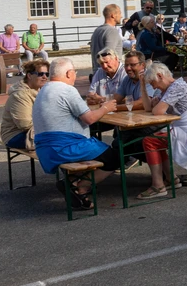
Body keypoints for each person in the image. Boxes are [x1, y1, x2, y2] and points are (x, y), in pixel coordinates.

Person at [32, 56, 121, 210]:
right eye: (74, 72)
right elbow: (90, 119)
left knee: (96, 149)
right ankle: (81, 187)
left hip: (45, 149)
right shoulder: (67, 90)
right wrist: (106, 108)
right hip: (66, 148)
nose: (75, 75)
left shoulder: (43, 90)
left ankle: (73, 185)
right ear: (68, 73)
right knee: (115, 157)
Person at [136, 62, 187, 199]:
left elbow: (157, 111)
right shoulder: (170, 88)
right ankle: (170, 179)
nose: (153, 87)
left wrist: (157, 105)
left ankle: (158, 185)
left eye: (153, 83)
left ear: (160, 76)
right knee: (155, 139)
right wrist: (142, 86)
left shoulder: (176, 87)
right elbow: (149, 108)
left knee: (150, 141)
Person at [1, 57, 48, 150]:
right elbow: (25, 124)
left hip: (35, 130)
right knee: (59, 140)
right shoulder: (20, 95)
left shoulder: (42, 90)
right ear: (29, 76)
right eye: (40, 74)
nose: (45, 77)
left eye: (47, 74)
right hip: (15, 135)